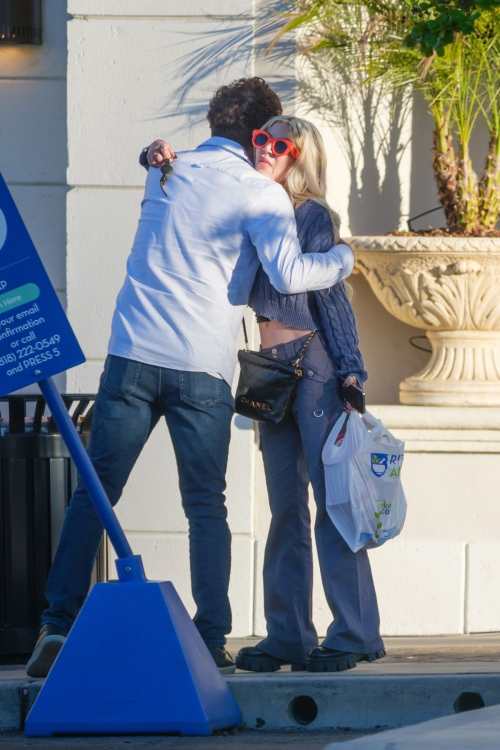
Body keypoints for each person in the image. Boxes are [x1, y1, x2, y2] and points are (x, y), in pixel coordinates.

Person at [26, 78, 355, 679]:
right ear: (259, 132)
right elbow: (286, 276)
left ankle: (56, 623)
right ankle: (209, 637)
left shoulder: (166, 168)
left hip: (131, 355)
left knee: (96, 492)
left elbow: (155, 163)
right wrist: (341, 259)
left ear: (212, 123)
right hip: (201, 366)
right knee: (206, 506)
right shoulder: (261, 193)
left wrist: (151, 153)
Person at [144, 115, 385, 673]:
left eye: (281, 144)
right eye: (261, 139)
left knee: (334, 505)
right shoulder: (256, 208)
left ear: (301, 158)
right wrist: (160, 160)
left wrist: (352, 371)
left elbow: (333, 298)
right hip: (269, 370)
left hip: (317, 366)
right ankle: (289, 635)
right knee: (284, 511)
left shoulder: (312, 215)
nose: (267, 149)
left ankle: (352, 632)